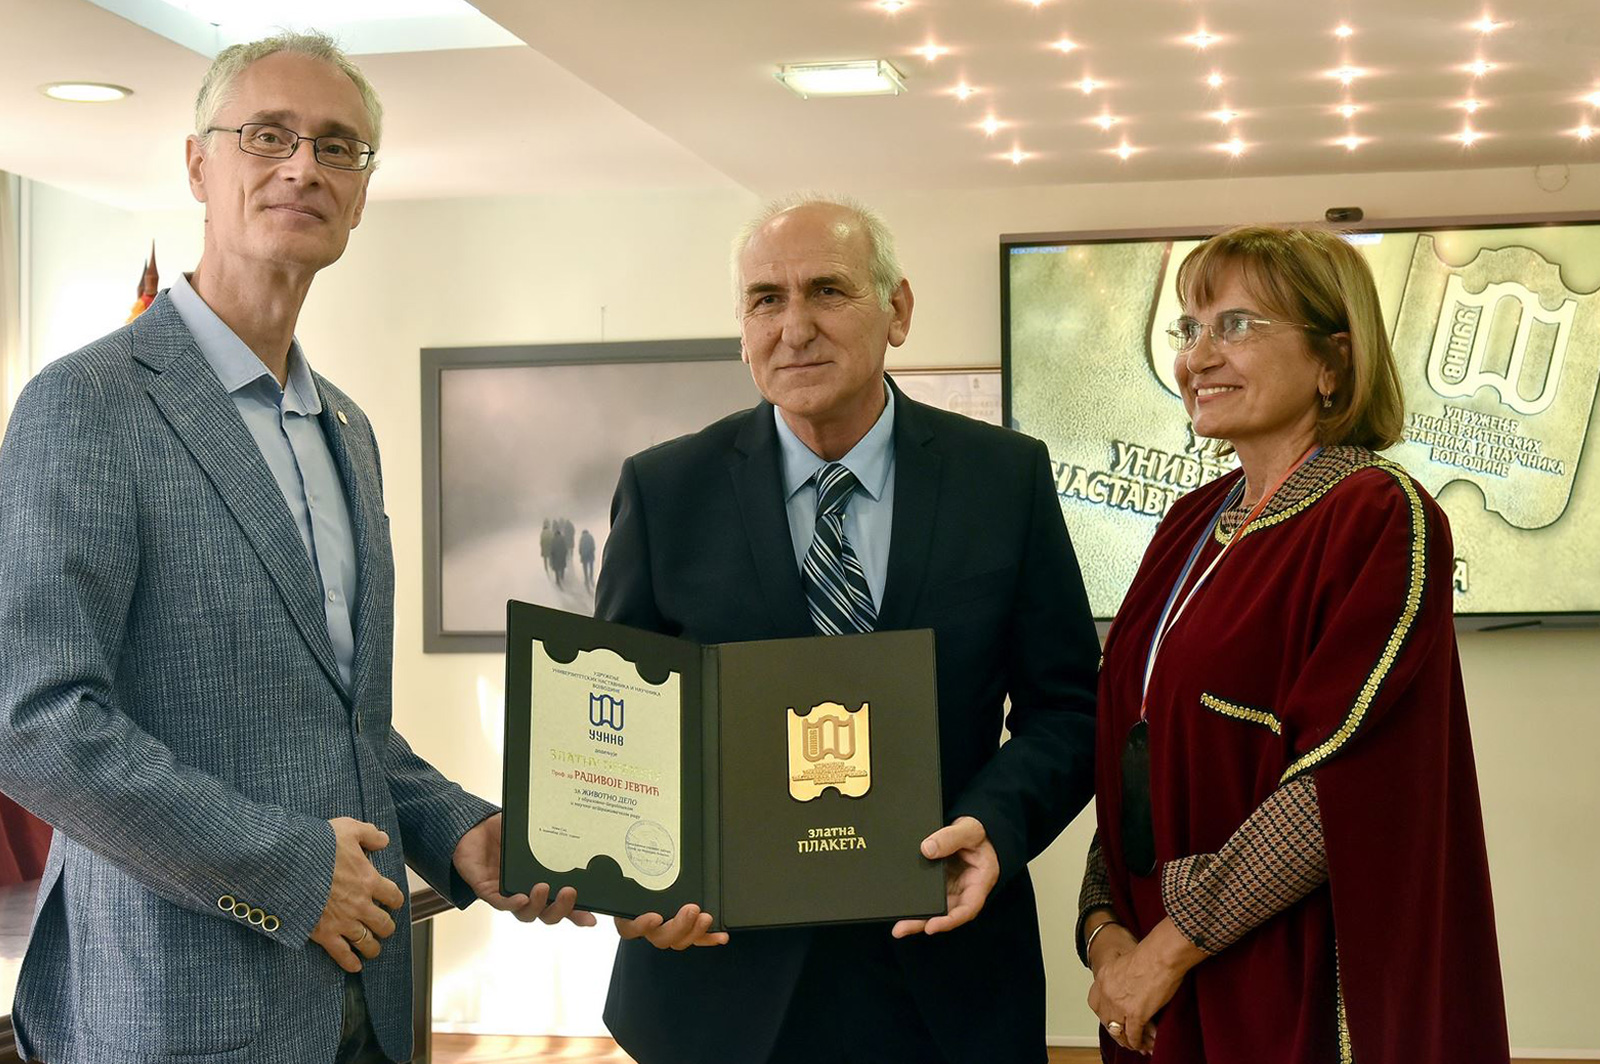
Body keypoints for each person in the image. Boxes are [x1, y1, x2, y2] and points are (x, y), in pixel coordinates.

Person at [0, 32, 588, 1064]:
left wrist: (460, 829)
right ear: (199, 165)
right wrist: (290, 871)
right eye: (267, 135)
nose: (303, 167)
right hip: (174, 1009)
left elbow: (346, 728)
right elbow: (35, 720)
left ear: (360, 196)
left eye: (337, 147)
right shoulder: (86, 404)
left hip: (366, 1002)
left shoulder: (347, 432)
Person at [595, 193, 1100, 1064]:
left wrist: (994, 824)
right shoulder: (665, 490)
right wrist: (633, 871)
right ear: (743, 328)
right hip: (721, 979)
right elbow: (618, 725)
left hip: (946, 975)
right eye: (766, 299)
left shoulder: (1002, 478)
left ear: (897, 310)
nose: (795, 328)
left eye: (828, 291)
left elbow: (1070, 709)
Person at [1076, 225, 1508, 1063]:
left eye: (1236, 325)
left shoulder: (1376, 515)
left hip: (1289, 979)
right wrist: (1105, 933)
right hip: (1152, 982)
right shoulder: (1186, 523)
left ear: (1332, 361)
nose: (1198, 356)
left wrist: (1166, 951)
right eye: (1189, 328)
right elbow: (1132, 751)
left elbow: (1336, 787)